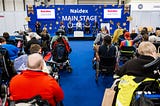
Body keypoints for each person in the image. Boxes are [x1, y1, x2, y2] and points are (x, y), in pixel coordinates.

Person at [114, 41, 158, 106]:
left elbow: (118, 72)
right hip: (153, 92)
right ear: (153, 52)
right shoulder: (157, 64)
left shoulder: (130, 63)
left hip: (132, 94)